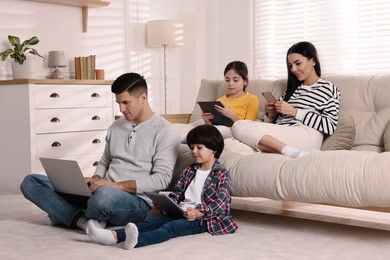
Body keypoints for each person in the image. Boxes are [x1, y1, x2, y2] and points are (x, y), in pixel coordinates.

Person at [20, 72, 181, 231]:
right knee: (30, 182)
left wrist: (115, 186)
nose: (121, 109)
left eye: (126, 103)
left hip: (135, 201)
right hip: (101, 189)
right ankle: (81, 221)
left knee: (102, 200)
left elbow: (162, 179)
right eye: (118, 103)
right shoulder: (116, 126)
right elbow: (105, 161)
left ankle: (63, 212)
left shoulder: (165, 131)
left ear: (143, 98)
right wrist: (95, 179)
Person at [86, 124, 238, 249]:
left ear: (214, 149)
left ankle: (138, 241)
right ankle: (114, 236)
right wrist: (167, 204)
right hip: (182, 211)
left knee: (170, 228)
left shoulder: (221, 174)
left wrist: (198, 213)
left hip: (204, 218)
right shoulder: (190, 170)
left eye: (199, 147)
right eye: (192, 147)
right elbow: (177, 193)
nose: (194, 151)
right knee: (151, 221)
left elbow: (220, 204)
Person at [232, 41, 340, 158]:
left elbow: (330, 126)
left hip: (306, 135)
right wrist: (271, 115)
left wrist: (294, 112)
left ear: (313, 60)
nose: (293, 69)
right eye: (290, 65)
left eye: (298, 63)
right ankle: (288, 151)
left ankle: (291, 152)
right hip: (284, 133)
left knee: (239, 125)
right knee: (229, 144)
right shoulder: (292, 90)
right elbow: (273, 123)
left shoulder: (327, 88)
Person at [202, 61, 259, 138]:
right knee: (197, 132)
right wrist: (207, 121)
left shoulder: (252, 99)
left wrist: (231, 115)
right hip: (217, 131)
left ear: (245, 81)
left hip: (234, 132)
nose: (230, 84)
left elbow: (248, 127)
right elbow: (214, 125)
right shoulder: (220, 100)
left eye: (235, 80)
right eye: (227, 80)